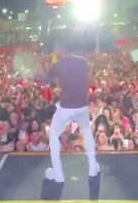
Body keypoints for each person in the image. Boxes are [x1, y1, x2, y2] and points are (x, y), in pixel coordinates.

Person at [36, 43, 99, 183]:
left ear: (61, 49)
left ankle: (57, 174)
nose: (53, 51)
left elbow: (41, 81)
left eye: (55, 48)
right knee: (87, 134)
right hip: (82, 105)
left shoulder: (57, 65)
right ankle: (93, 168)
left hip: (66, 106)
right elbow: (91, 81)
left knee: (53, 135)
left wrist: (40, 64)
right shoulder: (82, 61)